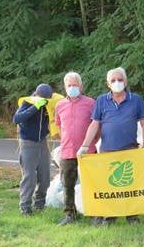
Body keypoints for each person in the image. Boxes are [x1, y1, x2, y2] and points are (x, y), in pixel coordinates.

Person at [77, 67, 144, 226]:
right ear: (108, 84)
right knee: (110, 186)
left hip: (129, 149)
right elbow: (95, 124)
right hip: (108, 151)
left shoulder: (135, 99)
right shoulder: (102, 100)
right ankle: (110, 216)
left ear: (126, 81)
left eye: (120, 79)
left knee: (130, 186)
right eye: (113, 80)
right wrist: (84, 146)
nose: (117, 83)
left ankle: (132, 217)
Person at [54, 72, 97, 226]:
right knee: (67, 184)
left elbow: (96, 125)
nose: (72, 88)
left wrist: (91, 143)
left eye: (75, 85)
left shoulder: (91, 103)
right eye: (69, 85)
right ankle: (70, 215)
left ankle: (95, 214)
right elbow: (59, 126)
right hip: (67, 152)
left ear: (81, 86)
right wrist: (66, 140)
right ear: (65, 87)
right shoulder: (59, 105)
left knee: (91, 183)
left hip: (88, 151)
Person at [13, 83, 53, 215]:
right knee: (30, 176)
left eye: (47, 99)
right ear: (36, 94)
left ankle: (40, 203)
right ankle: (25, 206)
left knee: (45, 175)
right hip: (28, 142)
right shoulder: (27, 102)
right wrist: (35, 107)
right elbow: (17, 118)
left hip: (42, 142)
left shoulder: (49, 104)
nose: (45, 100)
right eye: (43, 98)